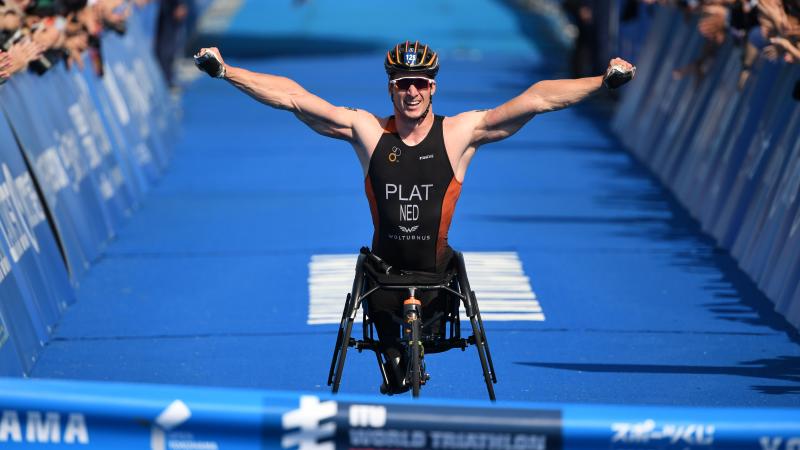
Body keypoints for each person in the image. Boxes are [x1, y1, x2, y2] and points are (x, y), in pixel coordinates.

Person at [194, 40, 635, 393]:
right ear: (391, 87)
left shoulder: (460, 133)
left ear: (433, 88)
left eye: (420, 84)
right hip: (382, 277)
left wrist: (602, 80)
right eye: (403, 83)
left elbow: (536, 98)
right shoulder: (367, 131)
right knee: (379, 287)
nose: (411, 92)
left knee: (437, 274)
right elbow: (294, 97)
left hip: (437, 277)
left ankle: (406, 351)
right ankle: (393, 355)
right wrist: (226, 71)